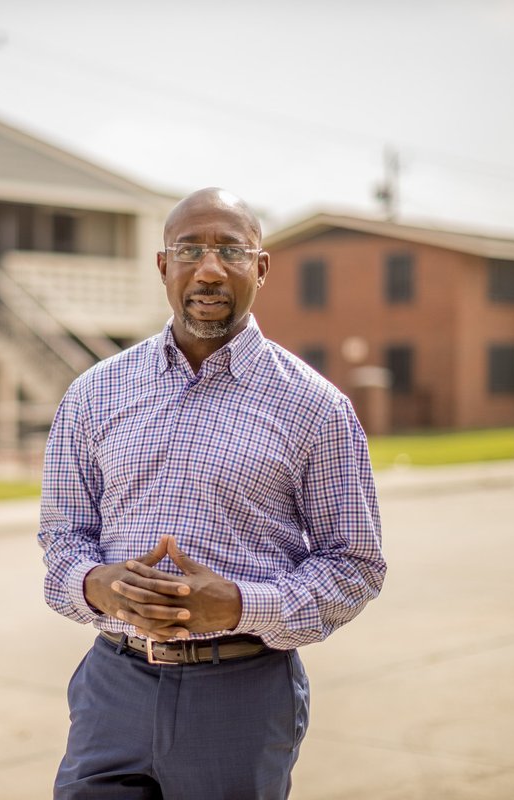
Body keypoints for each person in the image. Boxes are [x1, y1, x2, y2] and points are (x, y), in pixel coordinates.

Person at [38, 187, 386, 798]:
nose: (208, 269)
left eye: (230, 250)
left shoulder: (317, 408)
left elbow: (355, 566)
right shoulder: (94, 394)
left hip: (243, 698)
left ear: (261, 267)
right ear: (162, 266)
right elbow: (62, 538)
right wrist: (100, 587)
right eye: (189, 249)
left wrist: (240, 606)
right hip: (112, 690)